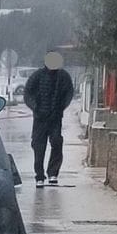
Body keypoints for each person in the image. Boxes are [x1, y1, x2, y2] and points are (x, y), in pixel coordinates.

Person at [23, 52, 74, 187]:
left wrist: (61, 107)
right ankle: (39, 175)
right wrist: (35, 107)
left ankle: (53, 173)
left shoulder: (63, 77)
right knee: (38, 146)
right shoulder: (37, 76)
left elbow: (69, 93)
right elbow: (27, 93)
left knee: (56, 142)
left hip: (55, 117)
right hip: (40, 118)